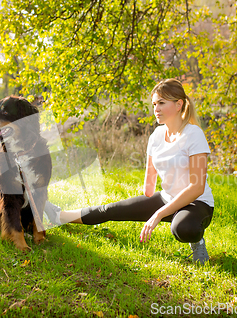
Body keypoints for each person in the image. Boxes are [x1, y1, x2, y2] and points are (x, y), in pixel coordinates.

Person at [58, 79, 214, 264]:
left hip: (196, 204)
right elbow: (149, 187)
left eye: (162, 103)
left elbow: (196, 187)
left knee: (183, 228)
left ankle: (197, 242)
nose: (156, 108)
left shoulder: (193, 134)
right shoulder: (156, 136)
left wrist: (158, 214)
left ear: (179, 104)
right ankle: (58, 216)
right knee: (109, 210)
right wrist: (139, 203)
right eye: (155, 103)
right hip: (168, 198)